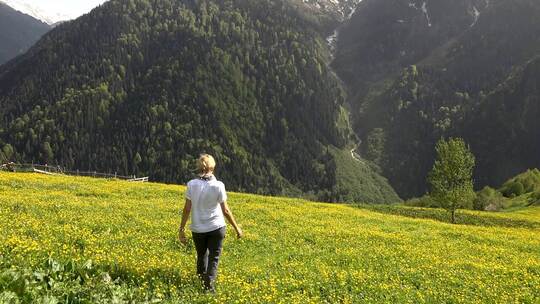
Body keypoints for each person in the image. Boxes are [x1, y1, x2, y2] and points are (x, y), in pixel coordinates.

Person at [178, 154, 243, 292]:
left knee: (201, 255)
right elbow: (225, 210)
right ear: (213, 167)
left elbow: (187, 209)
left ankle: (202, 284)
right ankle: (209, 287)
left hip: (197, 229)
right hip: (216, 227)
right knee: (214, 258)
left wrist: (181, 229)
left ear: (199, 166)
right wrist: (237, 228)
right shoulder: (218, 185)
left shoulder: (191, 184)